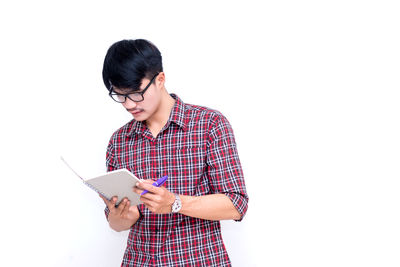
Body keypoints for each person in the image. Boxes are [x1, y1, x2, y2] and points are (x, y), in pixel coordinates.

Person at [100, 39, 249, 267]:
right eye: (120, 95)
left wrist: (175, 203)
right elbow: (119, 224)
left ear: (160, 79)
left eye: (136, 93)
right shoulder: (119, 141)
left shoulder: (209, 125)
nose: (129, 104)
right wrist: (120, 216)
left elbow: (236, 205)